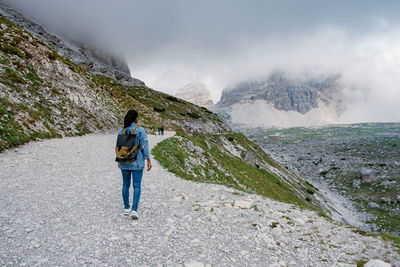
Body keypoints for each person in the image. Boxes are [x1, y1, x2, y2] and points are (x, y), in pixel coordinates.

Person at [117, 110, 152, 220]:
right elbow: (144, 145)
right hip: (137, 162)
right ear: (135, 118)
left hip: (124, 161)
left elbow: (119, 147)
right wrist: (148, 159)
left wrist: (119, 160)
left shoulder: (121, 131)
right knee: (136, 185)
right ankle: (134, 210)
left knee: (125, 185)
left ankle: (126, 208)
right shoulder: (140, 130)